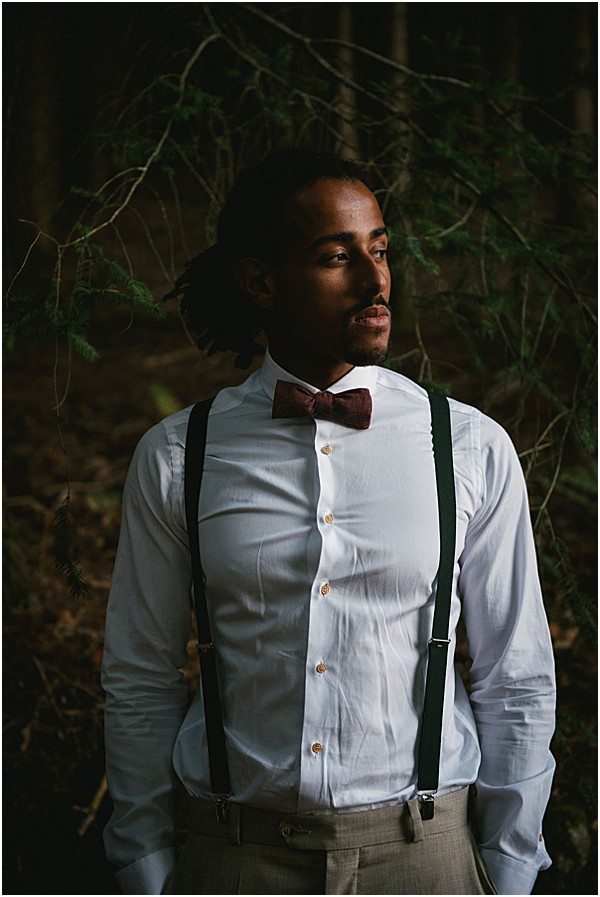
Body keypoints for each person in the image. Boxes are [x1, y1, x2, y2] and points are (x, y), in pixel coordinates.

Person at [101, 148, 556, 896]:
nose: (378, 280)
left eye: (380, 249)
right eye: (336, 257)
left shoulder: (468, 446)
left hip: (426, 855)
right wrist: (145, 867)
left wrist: (507, 868)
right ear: (261, 281)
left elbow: (518, 678)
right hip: (236, 857)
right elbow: (141, 676)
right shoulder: (181, 455)